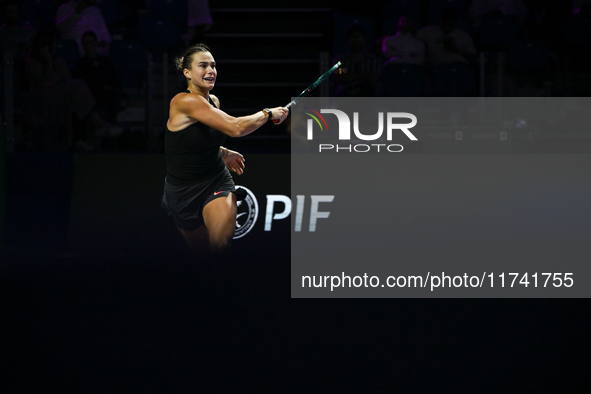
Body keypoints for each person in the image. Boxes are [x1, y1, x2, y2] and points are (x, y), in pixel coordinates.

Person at [161, 44, 288, 258]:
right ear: (187, 73)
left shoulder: (213, 101)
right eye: (203, 66)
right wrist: (267, 113)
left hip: (215, 181)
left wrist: (222, 151)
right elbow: (235, 127)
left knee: (220, 247)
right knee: (204, 257)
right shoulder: (183, 101)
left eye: (213, 65)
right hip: (181, 192)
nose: (211, 70)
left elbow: (199, 139)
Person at [332, 24, 382, 97]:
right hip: (345, 95)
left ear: (364, 39)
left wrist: (352, 75)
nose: (356, 41)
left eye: (358, 37)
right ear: (348, 40)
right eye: (353, 38)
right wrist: (365, 76)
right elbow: (340, 77)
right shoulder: (340, 60)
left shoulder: (374, 60)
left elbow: (374, 78)